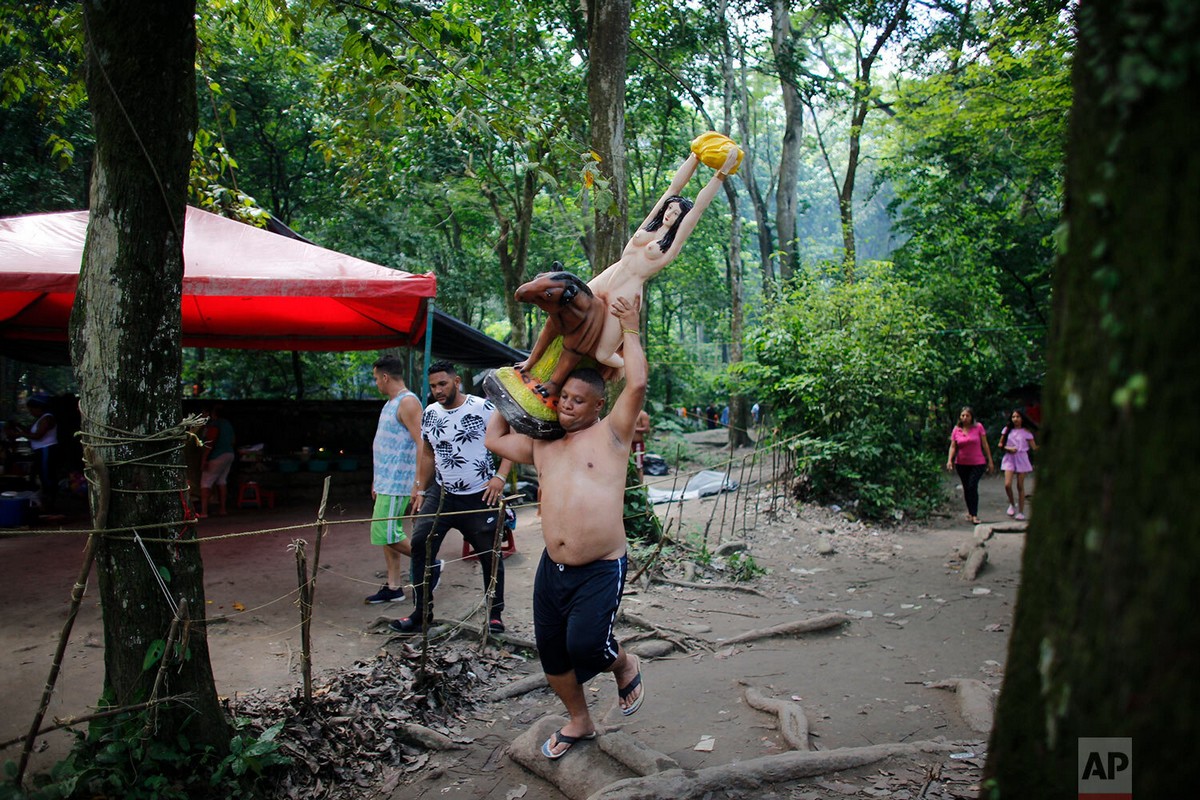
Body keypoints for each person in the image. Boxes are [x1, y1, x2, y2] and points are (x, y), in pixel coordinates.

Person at [486, 294, 647, 760]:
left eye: (579, 401)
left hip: (600, 566)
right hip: (551, 569)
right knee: (552, 654)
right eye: (563, 398)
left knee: (585, 646)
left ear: (598, 405)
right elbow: (494, 437)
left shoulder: (613, 434)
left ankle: (623, 663)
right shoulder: (544, 444)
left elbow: (635, 382)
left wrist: (631, 327)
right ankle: (580, 721)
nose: (568, 407)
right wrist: (522, 382)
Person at [515, 145, 740, 397]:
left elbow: (697, 207)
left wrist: (721, 172)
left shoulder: (669, 247)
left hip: (627, 291)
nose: (670, 214)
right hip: (611, 274)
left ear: (680, 220)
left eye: (676, 213)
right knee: (565, 308)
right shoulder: (650, 225)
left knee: (602, 353)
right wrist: (694, 157)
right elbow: (672, 189)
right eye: (670, 209)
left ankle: (625, 366)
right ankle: (531, 361)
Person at [389, 361, 514, 634]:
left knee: (489, 555)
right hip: (442, 494)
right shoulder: (430, 413)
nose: (437, 390)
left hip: (480, 495)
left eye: (442, 384)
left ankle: (494, 614)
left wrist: (500, 477)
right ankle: (421, 613)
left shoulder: (483, 408)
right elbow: (427, 453)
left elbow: (510, 440)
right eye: (433, 386)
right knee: (420, 544)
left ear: (457, 382)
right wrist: (421, 489)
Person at [364, 355, 423, 605]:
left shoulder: (408, 402)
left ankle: (430, 563)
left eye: (377, 378)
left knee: (386, 533)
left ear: (386, 377)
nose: (376, 383)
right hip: (386, 481)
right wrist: (377, 481)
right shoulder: (391, 403)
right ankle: (394, 586)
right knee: (388, 535)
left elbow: (423, 443)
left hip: (399, 481)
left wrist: (417, 483)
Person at [945, 406, 993, 524]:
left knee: (972, 485)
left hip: (978, 462)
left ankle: (975, 514)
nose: (965, 418)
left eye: (967, 415)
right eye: (963, 415)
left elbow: (985, 444)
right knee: (966, 488)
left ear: (972, 417)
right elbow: (953, 446)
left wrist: (990, 461)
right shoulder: (957, 429)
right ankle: (970, 512)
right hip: (961, 463)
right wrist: (949, 460)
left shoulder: (978, 427)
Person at [18, 394, 58, 510]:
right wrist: (20, 427)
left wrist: (20, 434)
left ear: (39, 408)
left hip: (47, 449)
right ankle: (46, 500)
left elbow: (38, 435)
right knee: (42, 475)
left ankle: (50, 502)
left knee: (47, 476)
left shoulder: (47, 418)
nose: (31, 412)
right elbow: (31, 432)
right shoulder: (40, 419)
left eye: (32, 409)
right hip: (41, 450)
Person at [998, 408, 1039, 521]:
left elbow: (1034, 447)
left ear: (1022, 418)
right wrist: (1008, 448)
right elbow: (1000, 444)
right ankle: (1012, 504)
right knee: (1007, 484)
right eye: (1013, 417)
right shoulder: (1007, 430)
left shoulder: (1026, 432)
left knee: (1020, 486)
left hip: (1022, 457)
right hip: (1009, 458)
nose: (1015, 419)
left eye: (1018, 417)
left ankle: (1021, 512)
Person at [199, 404, 235, 518]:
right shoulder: (228, 424)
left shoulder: (215, 424)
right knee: (222, 481)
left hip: (217, 455)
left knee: (205, 482)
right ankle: (222, 509)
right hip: (229, 453)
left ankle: (204, 511)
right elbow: (233, 440)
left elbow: (210, 442)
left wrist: (204, 459)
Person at [632, 409, 650, 483]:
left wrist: (634, 429)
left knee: (638, 467)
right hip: (627, 444)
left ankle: (640, 486)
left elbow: (647, 429)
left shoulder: (643, 414)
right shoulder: (628, 412)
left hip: (637, 444)